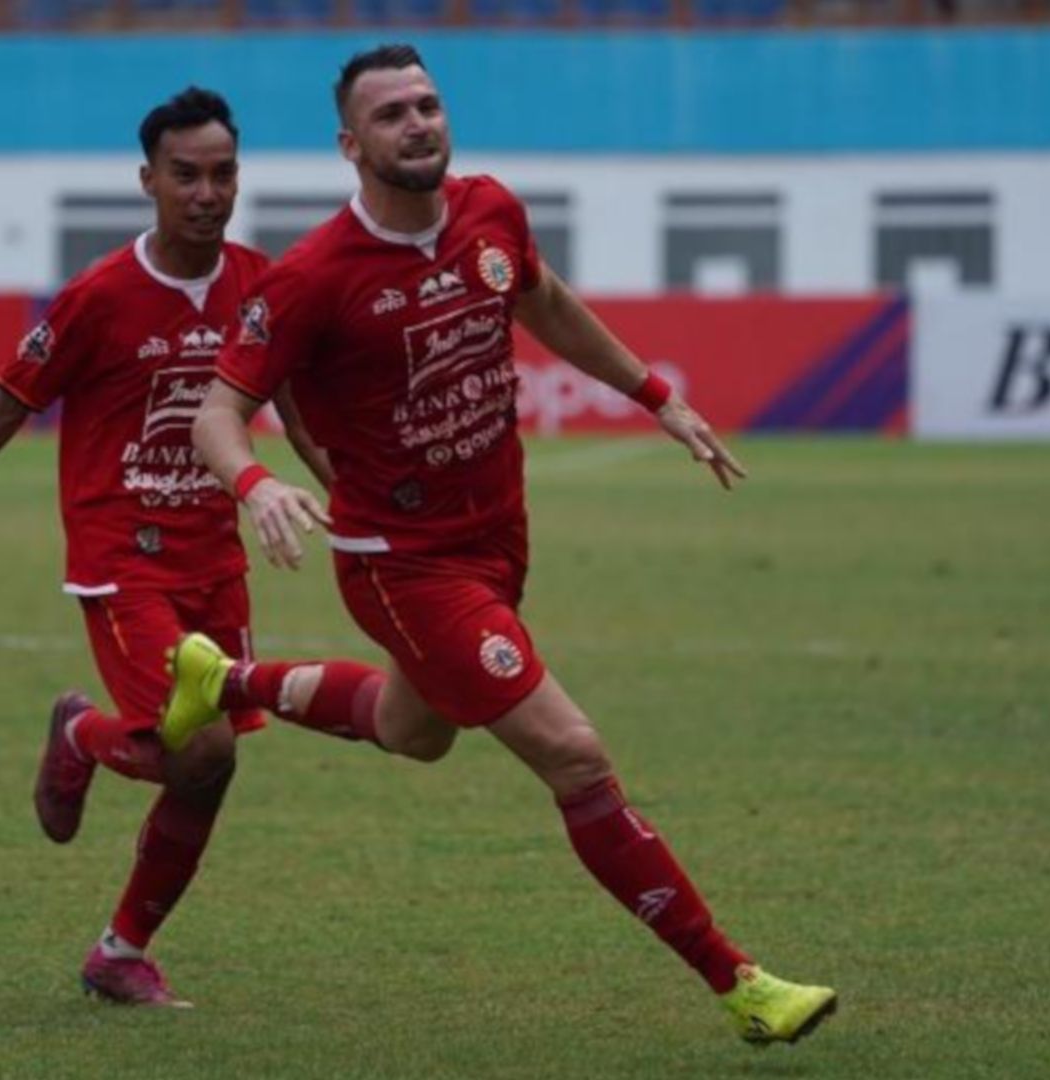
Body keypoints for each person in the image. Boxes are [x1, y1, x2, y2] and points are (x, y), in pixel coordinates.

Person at [170, 45, 837, 1046]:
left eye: (427, 104)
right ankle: (740, 984)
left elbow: (544, 299)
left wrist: (655, 395)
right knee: (575, 756)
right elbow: (216, 414)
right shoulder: (312, 278)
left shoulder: (492, 210)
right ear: (350, 146)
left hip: (496, 539)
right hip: (403, 563)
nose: (418, 123)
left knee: (416, 731)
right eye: (391, 114)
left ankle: (221, 679)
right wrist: (256, 483)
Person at [0, 87, 329, 1009]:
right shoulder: (99, 297)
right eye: (185, 175)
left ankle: (120, 950)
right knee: (201, 751)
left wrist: (369, 513)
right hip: (124, 559)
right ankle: (81, 735)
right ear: (148, 180)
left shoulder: (260, 285)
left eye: (223, 174)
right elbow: (6, 405)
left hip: (214, 560)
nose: (206, 193)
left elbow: (301, 416)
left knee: (209, 767)